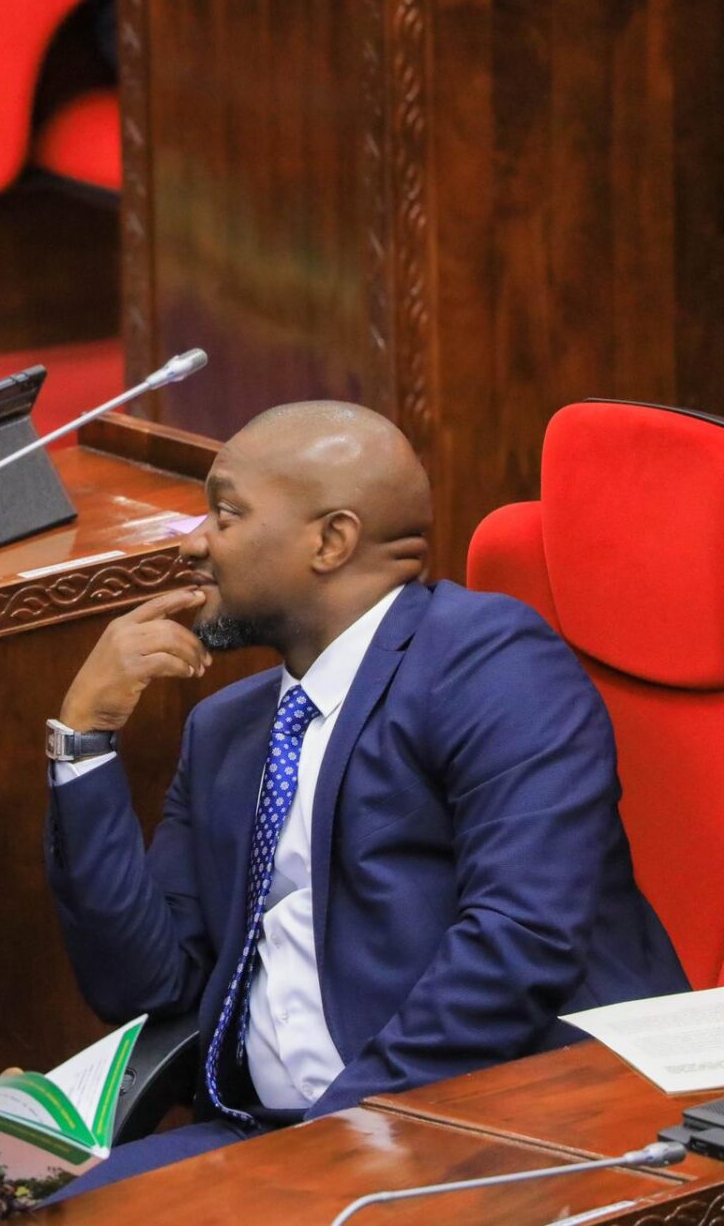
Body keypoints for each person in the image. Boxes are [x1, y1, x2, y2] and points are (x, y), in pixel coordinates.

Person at [43, 401, 687, 1191]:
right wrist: (84, 742)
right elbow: (145, 988)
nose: (193, 540)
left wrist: (327, 1141)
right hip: (272, 1137)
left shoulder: (487, 659)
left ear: (332, 540)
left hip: (489, 1124)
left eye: (226, 512)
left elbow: (519, 942)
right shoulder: (227, 730)